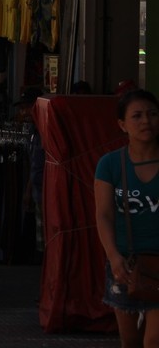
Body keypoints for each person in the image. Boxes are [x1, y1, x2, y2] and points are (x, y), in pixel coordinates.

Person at [94, 88, 159, 345]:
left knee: (154, 340)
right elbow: (104, 215)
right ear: (122, 124)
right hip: (125, 263)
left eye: (153, 114)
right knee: (130, 340)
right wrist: (113, 256)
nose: (146, 121)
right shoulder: (109, 164)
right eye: (137, 115)